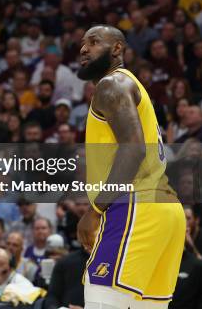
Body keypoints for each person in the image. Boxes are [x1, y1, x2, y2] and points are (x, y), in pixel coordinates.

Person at [76, 25, 185, 308]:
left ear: (117, 49)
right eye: (82, 43)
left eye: (94, 41)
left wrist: (95, 209)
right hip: (166, 210)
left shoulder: (112, 84)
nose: (83, 49)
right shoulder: (131, 86)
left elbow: (133, 149)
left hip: (136, 208)